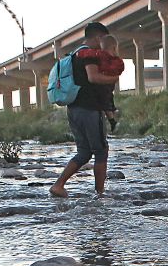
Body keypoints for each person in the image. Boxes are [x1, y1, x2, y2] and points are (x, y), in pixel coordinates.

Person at [50, 22, 119, 198]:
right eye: (104, 40)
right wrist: (114, 77)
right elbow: (93, 77)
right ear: (98, 38)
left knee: (84, 151)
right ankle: (100, 193)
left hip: (74, 109)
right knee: (101, 151)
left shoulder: (75, 55)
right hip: (89, 109)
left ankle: (59, 185)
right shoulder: (91, 55)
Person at [76, 34, 124, 132]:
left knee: (105, 99)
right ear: (114, 48)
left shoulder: (99, 55)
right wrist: (114, 76)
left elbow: (86, 53)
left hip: (103, 84)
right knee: (107, 98)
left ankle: (112, 118)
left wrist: (78, 54)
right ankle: (112, 118)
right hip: (108, 84)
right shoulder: (116, 60)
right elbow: (120, 68)